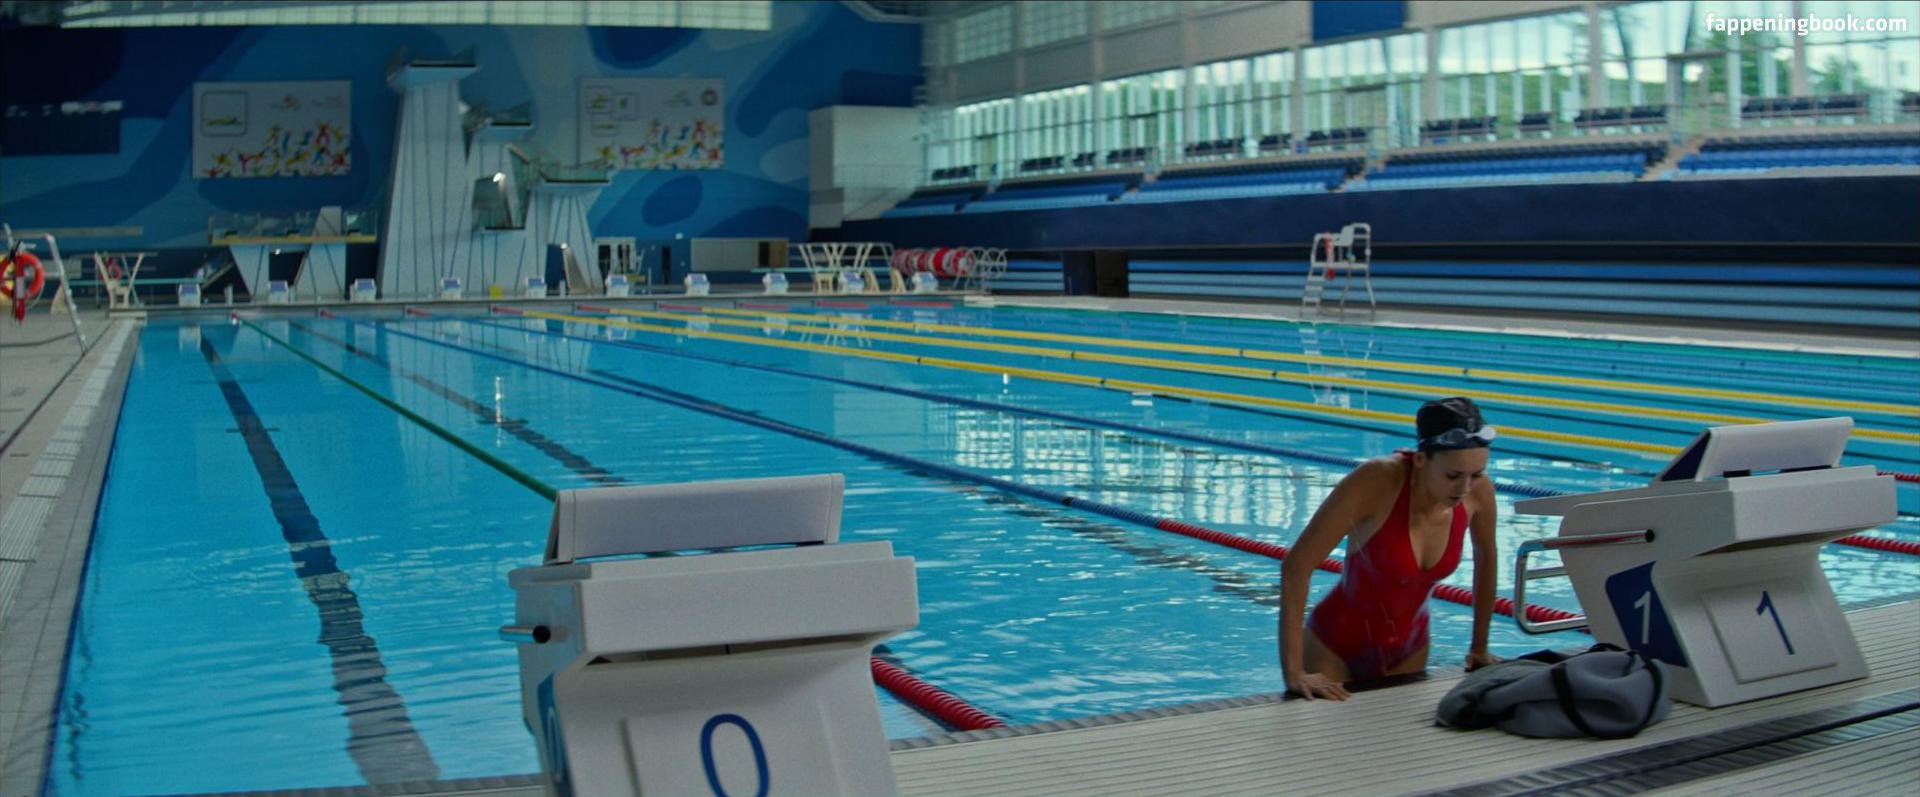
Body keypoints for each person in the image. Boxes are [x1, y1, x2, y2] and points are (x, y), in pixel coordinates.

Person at [1280, 396, 1501, 701]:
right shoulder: (1376, 482)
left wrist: (1479, 647)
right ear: (1421, 460)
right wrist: (1293, 673)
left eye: (1476, 474)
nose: (1465, 488)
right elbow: (1297, 565)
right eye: (1453, 476)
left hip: (1410, 652)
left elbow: (1487, 559)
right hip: (1334, 649)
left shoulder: (1480, 493)